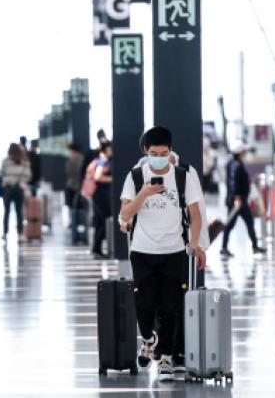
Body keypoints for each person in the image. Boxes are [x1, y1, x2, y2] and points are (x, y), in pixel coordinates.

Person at [119, 127, 207, 381]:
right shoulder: (135, 177)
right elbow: (125, 215)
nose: (160, 158)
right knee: (144, 306)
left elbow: (195, 213)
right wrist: (144, 194)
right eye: (154, 153)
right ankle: (148, 338)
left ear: (171, 153)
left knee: (172, 307)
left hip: (174, 251)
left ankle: (167, 358)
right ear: (146, 153)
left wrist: (195, 243)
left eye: (165, 153)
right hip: (143, 251)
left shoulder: (183, 176)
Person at [220, 143, 266, 257]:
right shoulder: (237, 166)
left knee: (237, 223)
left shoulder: (231, 164)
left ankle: (226, 247)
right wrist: (237, 197)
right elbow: (234, 182)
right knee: (244, 223)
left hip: (235, 199)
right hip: (238, 201)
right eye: (243, 152)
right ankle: (253, 247)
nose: (244, 154)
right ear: (239, 153)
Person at [0, 143, 31, 242]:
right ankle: (20, 234)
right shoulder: (24, 162)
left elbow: (1, 174)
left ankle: (5, 233)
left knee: (7, 211)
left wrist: (7, 179)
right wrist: (20, 181)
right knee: (19, 212)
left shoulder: (5, 161)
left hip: (8, 189)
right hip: (18, 189)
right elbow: (27, 175)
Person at [91, 141, 112, 258]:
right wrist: (112, 178)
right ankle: (97, 249)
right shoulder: (103, 161)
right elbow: (98, 177)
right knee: (103, 222)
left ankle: (96, 248)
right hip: (100, 196)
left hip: (98, 195)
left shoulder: (99, 160)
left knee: (100, 222)